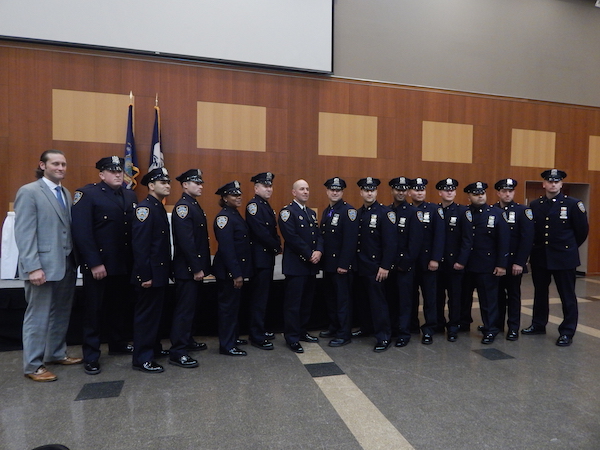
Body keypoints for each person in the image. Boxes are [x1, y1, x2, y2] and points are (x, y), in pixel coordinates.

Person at [14, 149, 81, 382]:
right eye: (55, 164)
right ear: (42, 166)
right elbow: (24, 233)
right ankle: (33, 365)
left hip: (66, 264)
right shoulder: (29, 192)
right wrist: (32, 267)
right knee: (38, 316)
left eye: (63, 164)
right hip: (41, 266)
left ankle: (55, 353)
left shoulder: (66, 193)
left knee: (61, 313)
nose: (61, 168)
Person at [71, 156, 137, 376]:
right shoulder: (87, 194)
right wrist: (94, 263)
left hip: (123, 264)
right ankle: (91, 355)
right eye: (112, 171)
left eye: (120, 171)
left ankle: (117, 344)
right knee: (94, 311)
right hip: (100, 266)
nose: (118, 174)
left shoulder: (129, 195)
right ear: (101, 174)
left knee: (119, 307)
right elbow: (82, 233)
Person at [522, 169, 589, 346]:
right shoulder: (536, 205)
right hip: (541, 256)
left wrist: (568, 248)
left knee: (567, 295)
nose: (552, 184)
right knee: (540, 293)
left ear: (561, 184)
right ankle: (538, 324)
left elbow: (582, 232)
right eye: (549, 181)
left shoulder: (573, 204)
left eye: (556, 181)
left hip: (564, 258)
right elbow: (533, 231)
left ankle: (567, 331)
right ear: (543, 184)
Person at [131, 167, 172, 373]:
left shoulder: (157, 207)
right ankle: (142, 358)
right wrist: (144, 275)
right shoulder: (145, 208)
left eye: (168, 182)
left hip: (159, 272)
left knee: (155, 315)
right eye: (162, 182)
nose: (167, 185)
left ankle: (153, 348)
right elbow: (140, 246)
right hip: (149, 274)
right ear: (151, 185)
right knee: (146, 317)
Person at [170, 169, 211, 368]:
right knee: (184, 311)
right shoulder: (183, 207)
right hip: (187, 270)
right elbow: (187, 242)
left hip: (194, 269)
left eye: (201, 182)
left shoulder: (193, 205)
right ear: (185, 185)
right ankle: (178, 351)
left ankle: (187, 340)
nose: (200, 185)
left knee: (192, 308)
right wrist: (196, 268)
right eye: (196, 183)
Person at [278, 179, 323, 353]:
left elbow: (319, 235)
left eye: (307, 189)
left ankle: (302, 331)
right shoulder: (287, 212)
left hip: (310, 266)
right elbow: (291, 237)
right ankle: (292, 337)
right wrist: (309, 254)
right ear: (294, 192)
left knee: (306, 302)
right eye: (302, 189)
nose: (305, 192)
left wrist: (319, 250)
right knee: (293, 304)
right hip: (296, 267)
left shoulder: (311, 213)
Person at [462, 181, 509, 344]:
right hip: (466, 264)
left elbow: (504, 241)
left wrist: (502, 264)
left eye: (482, 193)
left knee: (488, 300)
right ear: (469, 196)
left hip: (487, 265)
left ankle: (491, 329)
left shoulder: (496, 213)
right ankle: (463, 323)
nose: (480, 196)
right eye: (475, 193)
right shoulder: (464, 212)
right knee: (463, 298)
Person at [356, 177, 397, 352]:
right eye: (366, 190)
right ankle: (367, 328)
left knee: (378, 303)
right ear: (361, 192)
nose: (369, 193)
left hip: (376, 267)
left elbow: (391, 243)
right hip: (361, 266)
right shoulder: (358, 213)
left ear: (376, 192)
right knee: (364, 301)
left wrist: (385, 266)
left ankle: (383, 336)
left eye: (372, 190)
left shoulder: (385, 213)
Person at [213, 181, 253, 356]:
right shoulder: (224, 217)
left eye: (239, 194)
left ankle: (232, 338)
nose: (238, 197)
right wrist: (236, 274)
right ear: (224, 198)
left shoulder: (234, 214)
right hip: (228, 272)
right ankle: (227, 345)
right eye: (233, 195)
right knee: (227, 309)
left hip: (235, 270)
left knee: (233, 308)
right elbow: (228, 249)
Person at [319, 177, 358, 347]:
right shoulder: (328, 210)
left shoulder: (348, 211)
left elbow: (350, 242)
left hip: (341, 267)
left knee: (343, 301)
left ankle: (344, 333)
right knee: (331, 299)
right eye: (332, 189)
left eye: (338, 190)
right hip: (329, 266)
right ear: (327, 191)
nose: (334, 192)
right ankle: (334, 327)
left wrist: (344, 264)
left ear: (342, 192)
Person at [493, 178, 534, 340]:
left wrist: (520, 262)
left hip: (513, 263)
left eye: (510, 191)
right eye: (504, 191)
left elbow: (527, 239)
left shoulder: (522, 211)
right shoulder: (493, 210)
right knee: (496, 295)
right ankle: (497, 324)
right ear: (498, 193)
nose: (507, 194)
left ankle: (513, 327)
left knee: (513, 295)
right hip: (496, 263)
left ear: (514, 193)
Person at [245, 172, 281, 350]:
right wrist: (276, 247)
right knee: (258, 299)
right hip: (259, 259)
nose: (269, 189)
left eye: (270, 186)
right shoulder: (254, 206)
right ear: (256, 188)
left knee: (263, 297)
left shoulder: (264, 205)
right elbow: (260, 232)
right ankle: (257, 335)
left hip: (265, 259)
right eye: (265, 186)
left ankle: (260, 328)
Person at [408, 177, 444, 344]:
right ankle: (412, 325)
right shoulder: (405, 210)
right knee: (410, 296)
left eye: (422, 189)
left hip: (428, 262)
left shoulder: (434, 210)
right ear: (409, 192)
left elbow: (439, 236)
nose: (419, 192)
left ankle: (429, 328)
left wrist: (435, 259)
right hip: (409, 263)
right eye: (416, 189)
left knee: (430, 297)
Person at [435, 178, 472, 342]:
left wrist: (461, 261)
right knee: (437, 296)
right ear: (440, 193)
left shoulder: (463, 211)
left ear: (455, 192)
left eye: (452, 189)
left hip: (455, 263)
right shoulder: (434, 211)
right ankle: (438, 323)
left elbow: (467, 239)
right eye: (445, 189)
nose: (449, 192)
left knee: (455, 297)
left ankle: (453, 326)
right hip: (437, 263)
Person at [387, 177, 421, 347]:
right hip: (388, 266)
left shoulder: (413, 212)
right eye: (397, 189)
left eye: (403, 190)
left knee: (405, 301)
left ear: (408, 192)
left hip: (404, 266)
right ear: (392, 191)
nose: (400, 192)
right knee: (391, 299)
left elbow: (415, 243)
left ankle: (404, 333)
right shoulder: (387, 211)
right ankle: (393, 328)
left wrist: (404, 263)